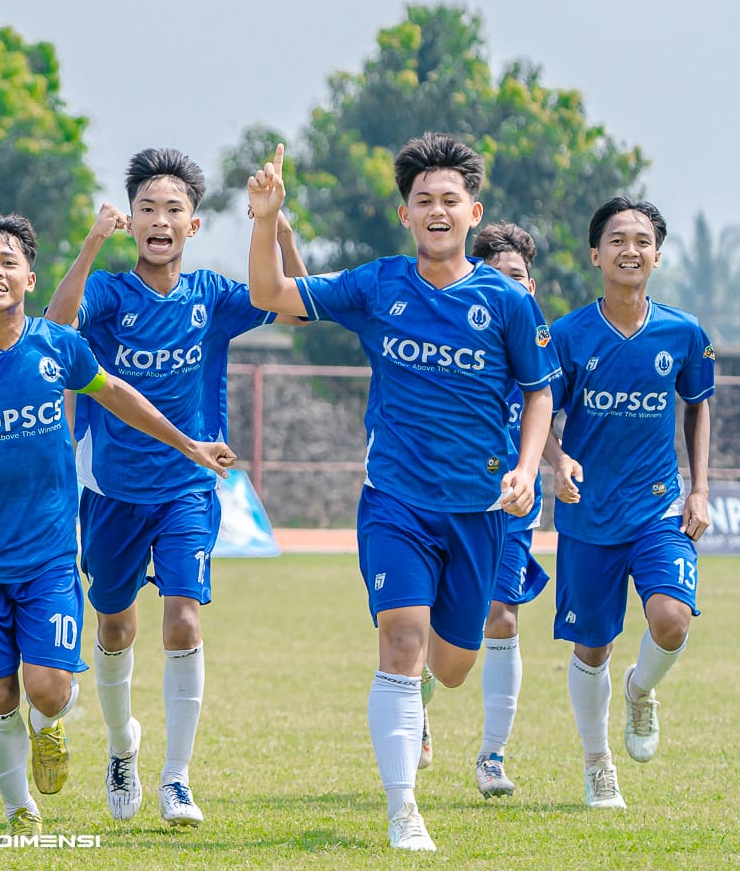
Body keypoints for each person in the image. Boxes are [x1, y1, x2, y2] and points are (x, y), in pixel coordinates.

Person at [246, 134, 558, 852]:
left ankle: (419, 707)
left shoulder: (506, 301)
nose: (438, 210)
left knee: (450, 669)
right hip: (395, 502)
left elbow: (540, 394)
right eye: (425, 200)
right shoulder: (378, 284)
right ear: (405, 213)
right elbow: (271, 295)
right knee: (402, 640)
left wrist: (525, 466)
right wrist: (267, 219)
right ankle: (402, 808)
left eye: (451, 199)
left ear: (472, 212)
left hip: (478, 511)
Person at [0, 213, 236, 838]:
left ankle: (51, 729)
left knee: (48, 689)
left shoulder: (58, 345)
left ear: (28, 276)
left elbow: (119, 394)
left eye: (7, 261)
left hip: (49, 551)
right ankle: (20, 807)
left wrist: (190, 445)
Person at [42, 145, 307, 826]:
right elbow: (55, 324)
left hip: (190, 483)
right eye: (147, 208)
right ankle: (122, 747)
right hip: (110, 491)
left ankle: (177, 778)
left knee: (184, 620)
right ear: (131, 220)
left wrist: (276, 225)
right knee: (115, 626)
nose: (160, 220)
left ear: (193, 226)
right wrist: (91, 242)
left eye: (174, 209)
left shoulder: (214, 296)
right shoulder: (108, 291)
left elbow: (295, 304)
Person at [545, 196, 713, 811]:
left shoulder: (683, 332)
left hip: (658, 508)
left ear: (657, 255)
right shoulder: (567, 334)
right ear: (596, 255)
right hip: (588, 515)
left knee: (672, 619)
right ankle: (597, 765)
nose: (630, 249)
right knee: (592, 647)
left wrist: (698, 487)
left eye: (642, 240)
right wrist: (556, 461)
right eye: (617, 239)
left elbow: (698, 405)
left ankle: (641, 693)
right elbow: (539, 412)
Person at [418, 222, 552, 798]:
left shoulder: (535, 330)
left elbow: (545, 402)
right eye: (496, 277)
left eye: (518, 278)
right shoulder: (455, 326)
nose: (508, 288)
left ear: (532, 282)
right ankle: (413, 697)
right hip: (447, 493)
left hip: (511, 497)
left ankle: (492, 756)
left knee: (503, 617)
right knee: (442, 639)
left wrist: (556, 460)